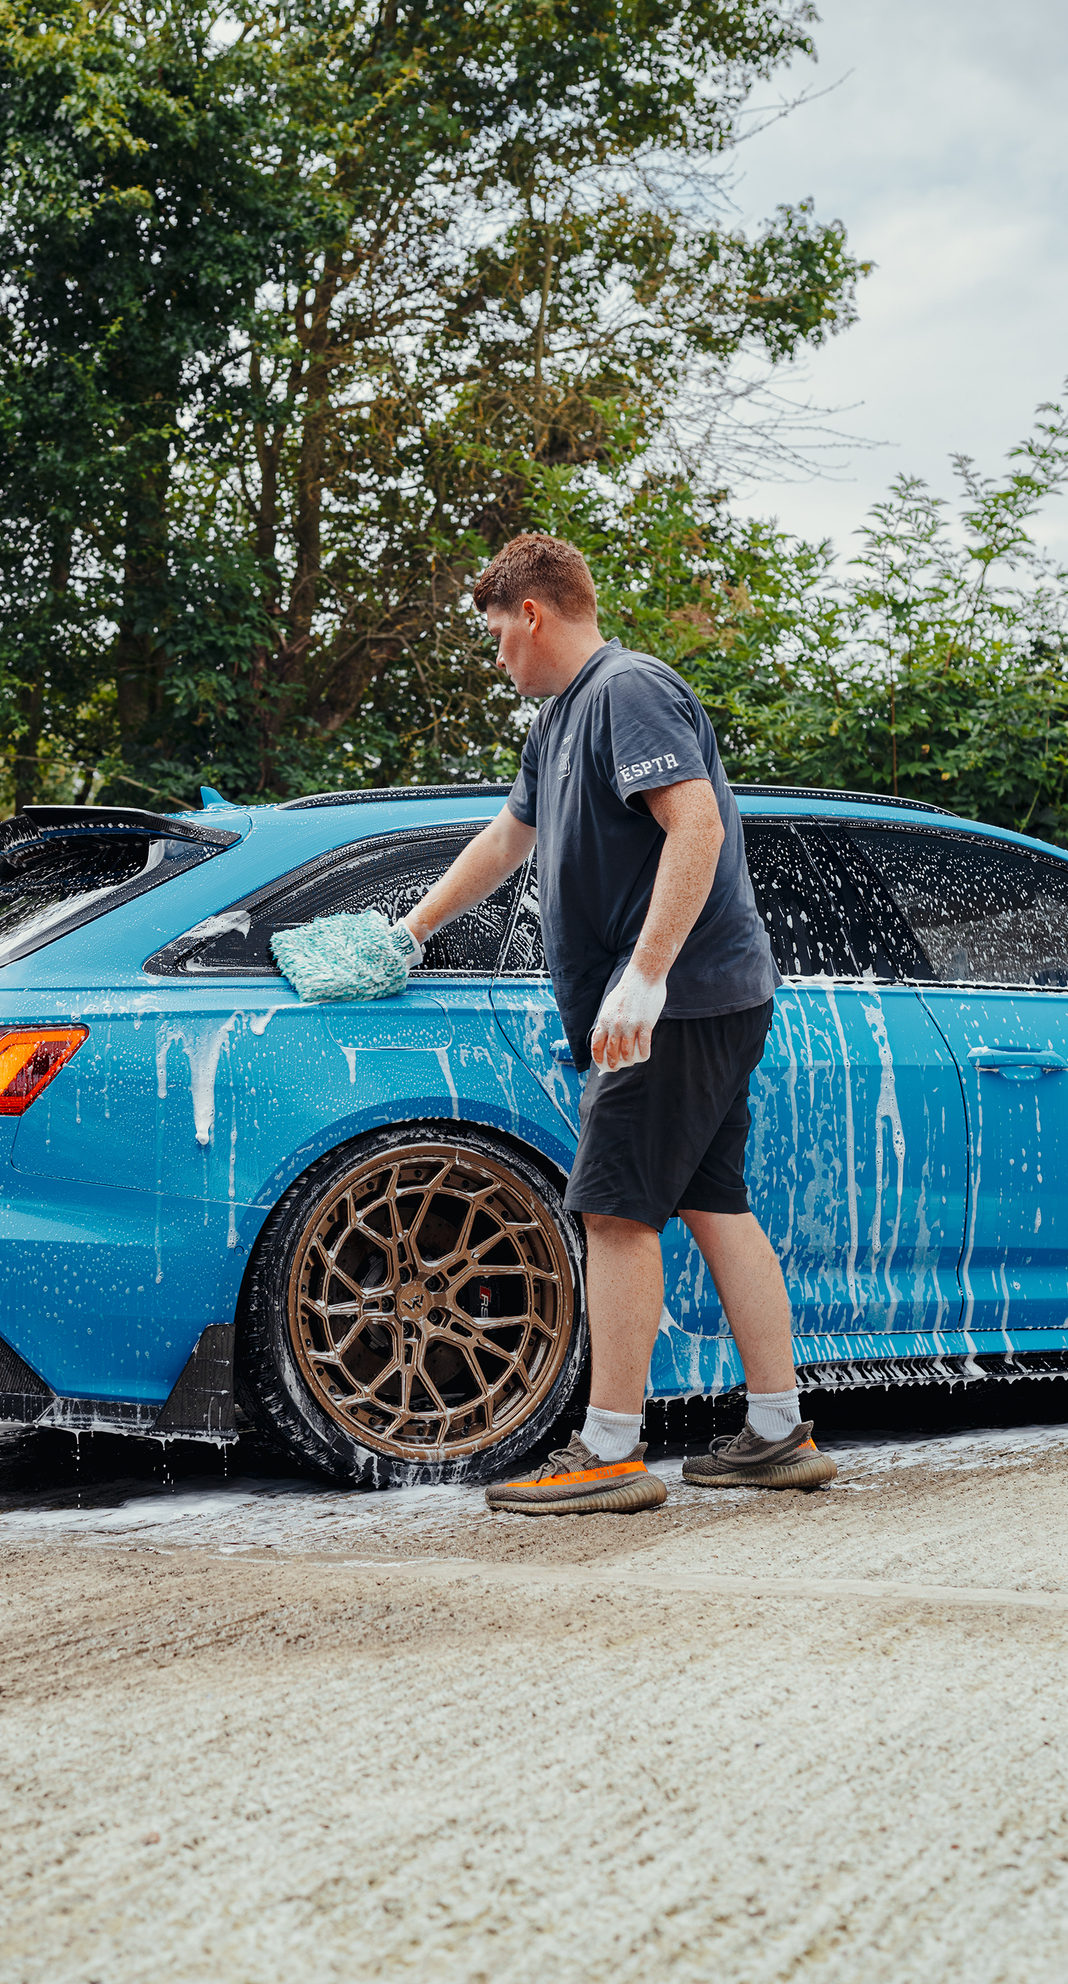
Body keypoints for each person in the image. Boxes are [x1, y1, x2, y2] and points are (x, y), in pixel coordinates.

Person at [397, 532, 837, 1514]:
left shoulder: (626, 689)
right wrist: (412, 932)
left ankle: (608, 1450)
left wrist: (644, 977)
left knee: (613, 1212)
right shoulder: (558, 726)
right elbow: (507, 839)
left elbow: (699, 823)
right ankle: (777, 1430)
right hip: (697, 998)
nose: (497, 653)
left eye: (497, 632)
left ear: (534, 613)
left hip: (672, 1005)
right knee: (715, 1202)